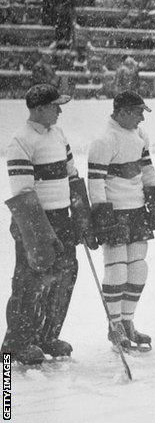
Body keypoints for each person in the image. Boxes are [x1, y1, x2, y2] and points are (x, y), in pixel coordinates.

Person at [2, 84, 80, 364]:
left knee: (65, 275)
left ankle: (47, 335)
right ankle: (17, 344)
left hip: (62, 217)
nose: (60, 111)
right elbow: (23, 192)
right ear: (38, 109)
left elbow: (72, 174)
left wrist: (80, 210)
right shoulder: (21, 141)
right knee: (31, 280)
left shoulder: (58, 133)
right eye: (54, 106)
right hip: (34, 220)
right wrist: (41, 232)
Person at [86, 91, 155, 350]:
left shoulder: (140, 136)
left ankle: (128, 322)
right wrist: (103, 217)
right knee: (117, 269)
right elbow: (95, 183)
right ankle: (114, 324)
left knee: (138, 268)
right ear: (123, 112)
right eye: (139, 112)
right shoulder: (104, 140)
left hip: (138, 209)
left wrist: (154, 199)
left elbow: (147, 170)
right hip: (115, 212)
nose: (142, 118)